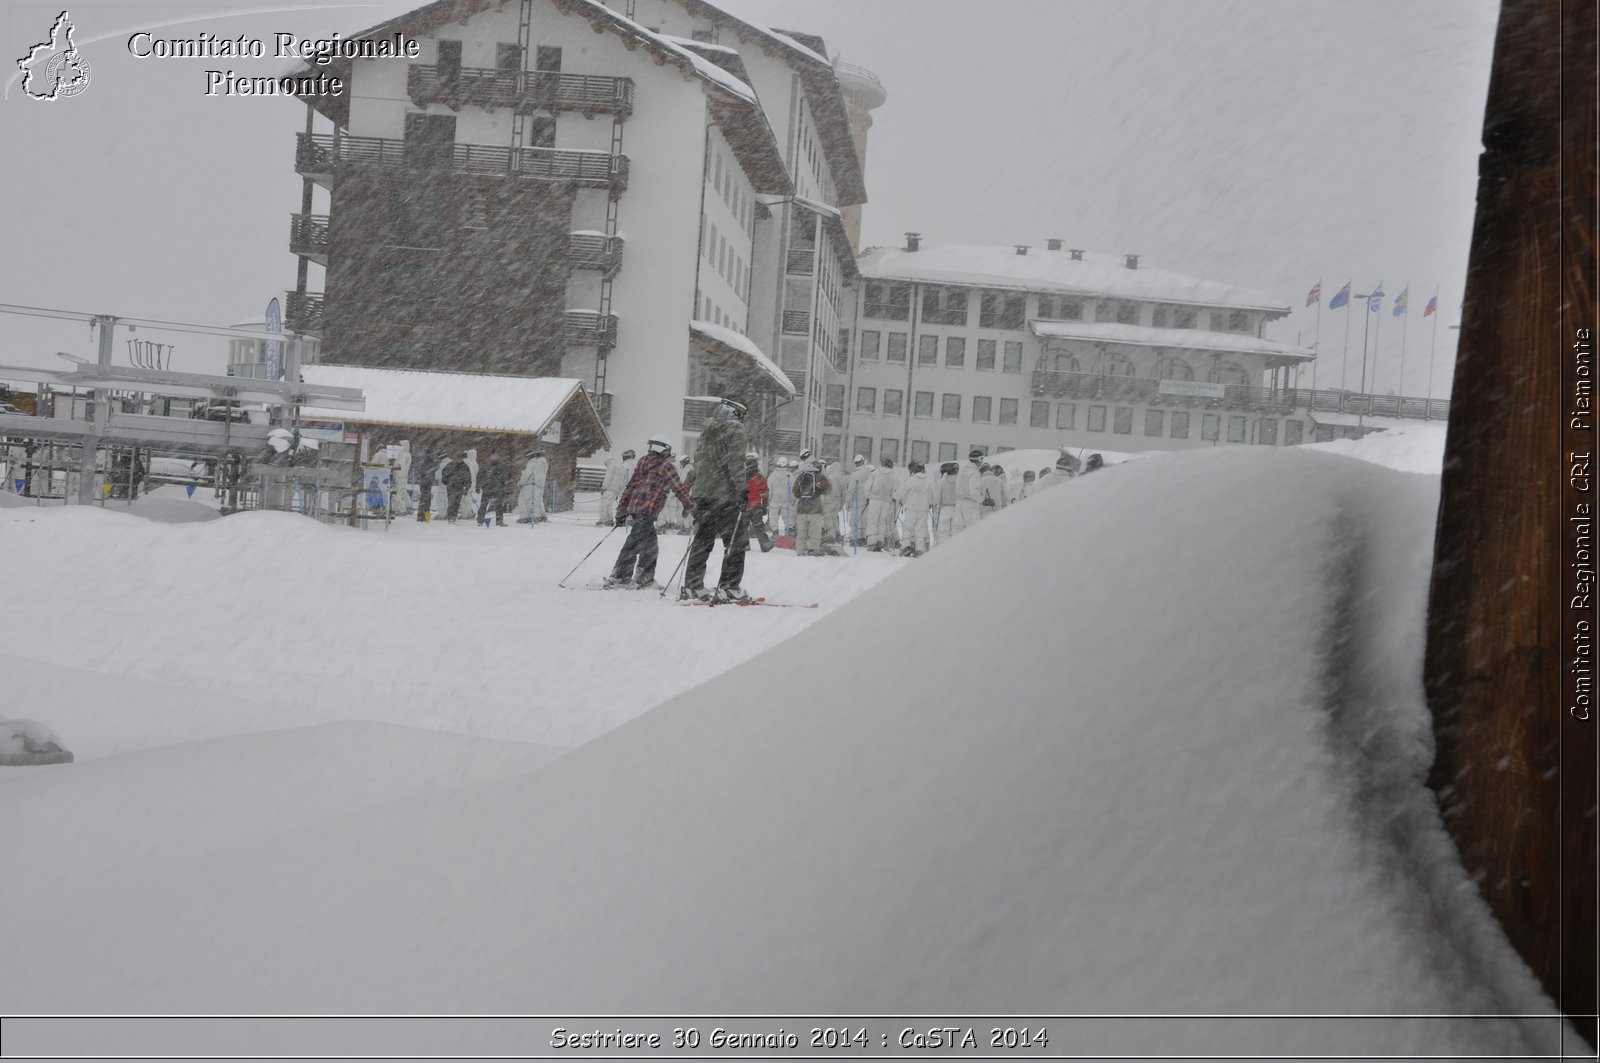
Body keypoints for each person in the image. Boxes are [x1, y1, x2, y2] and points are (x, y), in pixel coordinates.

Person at [681, 398, 754, 602]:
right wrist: (742, 489)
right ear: (736, 413)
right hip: (725, 496)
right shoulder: (736, 431)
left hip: (703, 494)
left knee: (703, 541)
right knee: (735, 543)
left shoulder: (707, 431)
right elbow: (735, 462)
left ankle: (693, 586)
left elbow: (698, 462)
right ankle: (730, 587)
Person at [605, 434, 694, 590]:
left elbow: (631, 485)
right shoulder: (666, 467)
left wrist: (622, 508)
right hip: (647, 510)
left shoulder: (643, 461)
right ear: (662, 450)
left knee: (648, 546)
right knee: (635, 544)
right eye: (667, 450)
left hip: (637, 509)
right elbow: (679, 488)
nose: (668, 453)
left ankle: (640, 577)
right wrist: (691, 506)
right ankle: (622, 577)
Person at [790, 451, 832, 556]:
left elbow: (795, 492)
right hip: (815, 508)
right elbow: (828, 490)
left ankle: (800, 551)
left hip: (801, 508)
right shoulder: (820, 476)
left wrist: (802, 495)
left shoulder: (800, 476)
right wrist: (819, 490)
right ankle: (813, 550)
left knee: (801, 532)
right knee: (815, 532)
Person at [893, 460, 935, 556]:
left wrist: (895, 497)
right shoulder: (929, 481)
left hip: (912, 508)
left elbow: (901, 492)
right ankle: (920, 549)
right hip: (924, 509)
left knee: (907, 527)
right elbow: (933, 495)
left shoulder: (910, 480)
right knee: (921, 529)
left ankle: (905, 547)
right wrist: (930, 503)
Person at [864, 456, 898, 550]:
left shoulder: (875, 473)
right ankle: (880, 540)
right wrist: (892, 498)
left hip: (874, 499)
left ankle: (871, 542)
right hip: (886, 501)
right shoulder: (893, 476)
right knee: (882, 521)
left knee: (872, 521)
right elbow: (896, 490)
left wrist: (868, 497)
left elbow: (867, 486)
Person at [744, 454, 773, 553]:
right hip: (755, 505)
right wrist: (764, 504)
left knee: (743, 526)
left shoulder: (743, 477)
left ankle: (745, 545)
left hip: (745, 505)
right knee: (758, 527)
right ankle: (764, 544)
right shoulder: (760, 478)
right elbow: (765, 492)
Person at [440, 449, 474, 523]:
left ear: (462, 458)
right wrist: (446, 481)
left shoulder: (465, 467)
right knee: (451, 502)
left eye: (460, 458)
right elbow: (444, 473)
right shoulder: (450, 465)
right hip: (451, 487)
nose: (459, 460)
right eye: (458, 458)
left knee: (457, 503)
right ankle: (450, 518)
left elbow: (468, 479)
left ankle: (454, 517)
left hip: (459, 487)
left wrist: (467, 488)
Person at [476, 451, 510, 526]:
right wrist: (478, 486)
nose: (496, 457)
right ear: (490, 456)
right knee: (483, 505)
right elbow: (479, 476)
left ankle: (499, 521)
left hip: (498, 489)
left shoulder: (500, 466)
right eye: (494, 455)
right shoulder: (485, 465)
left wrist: (503, 487)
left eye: (497, 456)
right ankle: (480, 521)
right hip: (487, 488)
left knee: (499, 506)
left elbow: (503, 478)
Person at [955, 449, 985, 529]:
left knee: (959, 531)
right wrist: (983, 500)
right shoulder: (974, 472)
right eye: (981, 459)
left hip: (958, 504)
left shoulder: (962, 470)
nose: (982, 462)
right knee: (973, 530)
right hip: (970, 504)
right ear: (976, 459)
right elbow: (973, 491)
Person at [598, 451, 628, 526]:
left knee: (603, 505)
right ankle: (610, 520)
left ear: (607, 462)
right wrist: (618, 490)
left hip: (608, 489)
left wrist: (603, 488)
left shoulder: (611, 467)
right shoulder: (620, 467)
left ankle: (602, 520)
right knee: (609, 505)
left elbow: (607, 478)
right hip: (616, 490)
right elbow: (622, 480)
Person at [936, 461, 963, 543]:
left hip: (945, 508)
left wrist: (937, 508)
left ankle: (942, 549)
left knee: (943, 531)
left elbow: (937, 496)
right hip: (958, 508)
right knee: (957, 530)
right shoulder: (961, 481)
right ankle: (955, 548)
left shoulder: (941, 481)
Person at [413, 445, 439, 521]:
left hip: (428, 483)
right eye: (431, 454)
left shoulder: (431, 462)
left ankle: (427, 518)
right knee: (424, 501)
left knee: (427, 502)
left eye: (432, 454)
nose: (432, 455)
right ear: (427, 454)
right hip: (425, 484)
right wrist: (428, 477)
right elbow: (424, 473)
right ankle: (421, 517)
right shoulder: (426, 462)